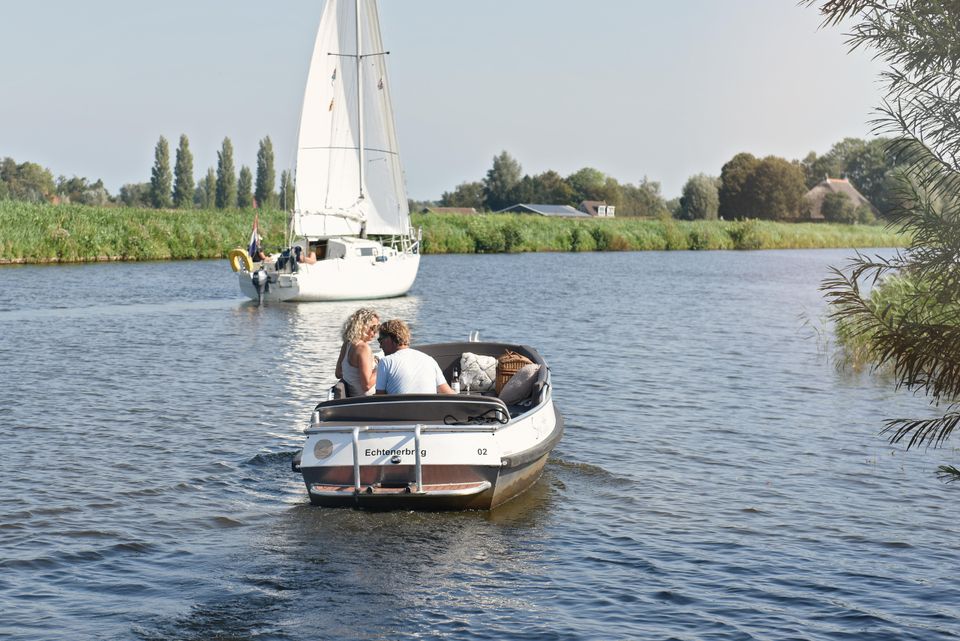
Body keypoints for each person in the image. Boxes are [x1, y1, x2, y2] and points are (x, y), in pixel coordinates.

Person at [375, 319, 455, 395]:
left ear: (390, 338)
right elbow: (448, 393)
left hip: (401, 405)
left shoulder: (386, 362)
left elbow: (379, 399)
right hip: (428, 405)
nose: (380, 346)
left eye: (380, 340)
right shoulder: (429, 360)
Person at [335, 308, 381, 397]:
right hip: (369, 399)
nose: (375, 332)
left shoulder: (347, 344)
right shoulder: (364, 348)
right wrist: (381, 367)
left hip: (354, 396)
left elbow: (338, 373)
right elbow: (366, 385)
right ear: (362, 326)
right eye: (373, 327)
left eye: (377, 328)